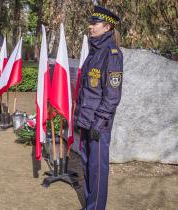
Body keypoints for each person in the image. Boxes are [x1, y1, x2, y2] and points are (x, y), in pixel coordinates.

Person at [74, 6, 123, 210]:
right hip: (87, 119)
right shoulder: (94, 52)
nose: (90, 26)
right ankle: (89, 205)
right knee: (87, 167)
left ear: (107, 26)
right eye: (91, 23)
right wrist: (79, 118)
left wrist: (99, 122)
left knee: (98, 170)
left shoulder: (112, 54)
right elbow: (86, 90)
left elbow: (112, 95)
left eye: (94, 23)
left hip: (98, 124)